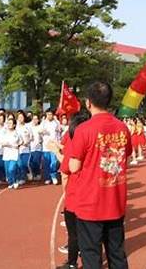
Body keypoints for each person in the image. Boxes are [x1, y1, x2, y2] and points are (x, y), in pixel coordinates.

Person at [68, 81, 132, 269]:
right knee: (117, 253)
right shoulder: (122, 128)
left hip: (90, 204)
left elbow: (74, 167)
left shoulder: (83, 130)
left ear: (88, 103)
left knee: (91, 255)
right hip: (115, 201)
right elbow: (125, 159)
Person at [49, 113, 89, 269]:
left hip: (75, 196)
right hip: (92, 194)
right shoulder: (94, 142)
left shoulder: (76, 142)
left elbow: (67, 169)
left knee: (74, 234)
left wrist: (55, 151)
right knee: (90, 234)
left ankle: (72, 263)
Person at [41, 109, 62, 185]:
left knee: (54, 162)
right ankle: (47, 178)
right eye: (48, 114)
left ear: (53, 115)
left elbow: (60, 131)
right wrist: (42, 131)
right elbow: (39, 131)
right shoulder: (43, 123)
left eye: (50, 114)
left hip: (54, 146)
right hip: (46, 146)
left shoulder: (56, 122)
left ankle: (53, 176)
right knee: (47, 162)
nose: (49, 116)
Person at [1, 117, 22, 189]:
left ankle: (15, 180)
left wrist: (17, 146)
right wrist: (6, 144)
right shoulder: (4, 133)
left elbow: (21, 142)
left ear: (14, 125)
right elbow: (1, 143)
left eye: (11, 123)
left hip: (14, 154)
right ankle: (10, 182)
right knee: (7, 171)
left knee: (11, 169)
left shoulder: (17, 133)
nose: (9, 125)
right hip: (6, 154)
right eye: (8, 123)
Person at [16, 112, 32, 185]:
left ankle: (27, 172)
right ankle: (21, 178)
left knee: (24, 164)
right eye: (19, 117)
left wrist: (27, 142)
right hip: (17, 149)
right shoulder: (15, 127)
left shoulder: (27, 127)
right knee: (19, 164)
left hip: (26, 149)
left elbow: (31, 137)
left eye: (22, 117)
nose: (20, 119)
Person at [28, 114, 43, 181]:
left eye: (36, 119)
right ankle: (34, 174)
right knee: (31, 163)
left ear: (38, 120)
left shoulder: (40, 127)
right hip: (31, 148)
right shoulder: (30, 128)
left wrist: (41, 139)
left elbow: (43, 137)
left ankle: (38, 174)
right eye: (33, 119)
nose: (35, 120)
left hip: (38, 148)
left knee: (36, 161)